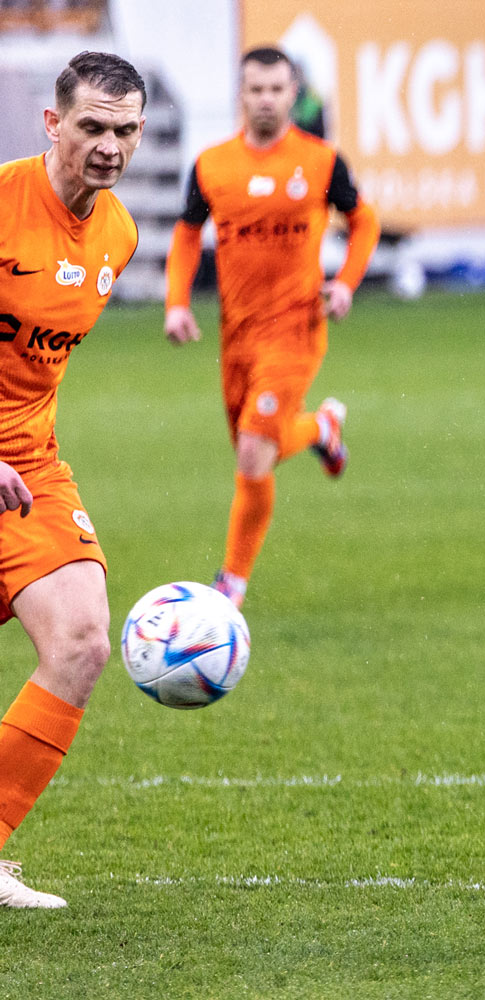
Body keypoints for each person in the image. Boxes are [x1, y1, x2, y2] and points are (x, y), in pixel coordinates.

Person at [0, 50, 146, 908]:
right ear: (53, 123)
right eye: (92, 126)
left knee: (85, 640)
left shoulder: (118, 234)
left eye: (124, 130)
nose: (109, 146)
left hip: (29, 467)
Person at [164, 46, 380, 609]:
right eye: (255, 89)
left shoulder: (321, 161)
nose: (265, 99)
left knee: (253, 456)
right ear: (241, 95)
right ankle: (322, 429)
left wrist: (347, 283)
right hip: (237, 335)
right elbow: (188, 233)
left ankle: (229, 586)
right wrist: (177, 303)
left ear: (293, 94)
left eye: (276, 89)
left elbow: (365, 222)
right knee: (256, 449)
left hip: (296, 329)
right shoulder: (212, 165)